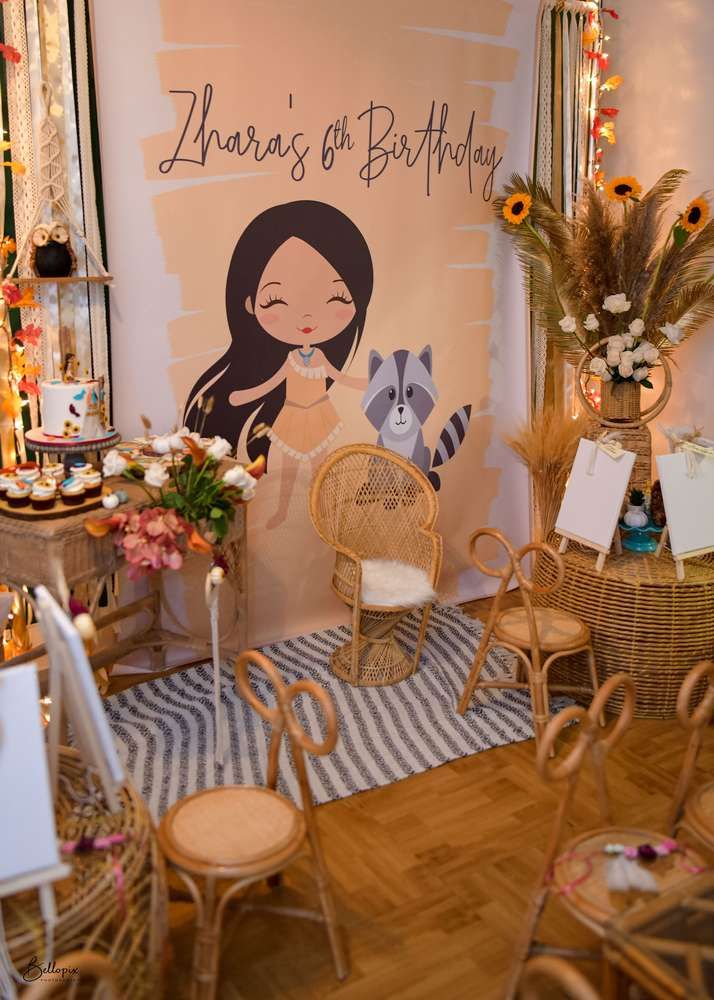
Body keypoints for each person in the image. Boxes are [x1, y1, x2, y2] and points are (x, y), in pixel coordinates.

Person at [184, 200, 374, 528]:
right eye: (276, 300)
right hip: (293, 413)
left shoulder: (319, 356)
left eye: (338, 298)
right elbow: (272, 383)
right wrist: (243, 396)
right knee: (284, 469)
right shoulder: (290, 359)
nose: (308, 317)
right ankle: (283, 509)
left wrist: (364, 382)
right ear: (249, 302)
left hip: (317, 412)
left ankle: (322, 506)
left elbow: (336, 375)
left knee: (319, 464)